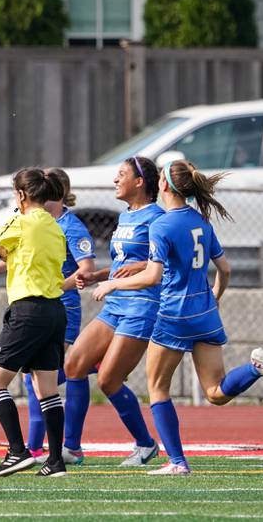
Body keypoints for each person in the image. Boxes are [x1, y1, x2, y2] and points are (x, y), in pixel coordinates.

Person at [91, 159, 263, 475]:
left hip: (174, 314)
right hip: (206, 314)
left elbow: (153, 277)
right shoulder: (201, 221)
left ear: (163, 186)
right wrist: (215, 297)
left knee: (158, 389)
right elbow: (225, 269)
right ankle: (256, 368)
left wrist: (113, 282)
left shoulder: (162, 225)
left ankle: (177, 463)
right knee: (215, 393)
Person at [0, 168, 95, 464]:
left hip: (27, 310)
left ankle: (18, 451)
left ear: (21, 195)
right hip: (54, 310)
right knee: (46, 389)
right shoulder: (56, 226)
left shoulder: (19, 221)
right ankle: (56, 460)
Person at [63, 157, 163, 467]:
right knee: (74, 365)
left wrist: (134, 272)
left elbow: (165, 264)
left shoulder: (158, 218)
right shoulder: (127, 216)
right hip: (116, 304)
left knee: (108, 380)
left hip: (141, 306)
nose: (115, 181)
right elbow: (123, 266)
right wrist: (97, 276)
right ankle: (71, 449)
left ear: (139, 182)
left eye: (121, 175)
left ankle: (146, 445)